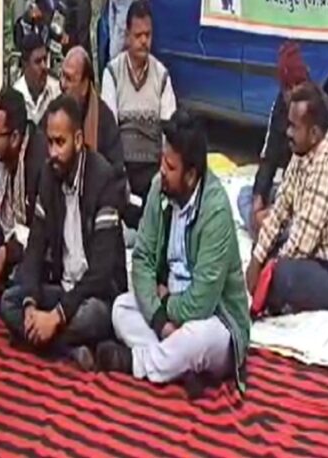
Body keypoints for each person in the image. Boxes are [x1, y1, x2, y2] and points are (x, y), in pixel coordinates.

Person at [99, 111, 250, 396]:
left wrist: (165, 302)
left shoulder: (215, 210)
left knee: (196, 338)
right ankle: (181, 368)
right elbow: (142, 259)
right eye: (162, 162)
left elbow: (202, 303)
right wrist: (159, 319)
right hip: (167, 313)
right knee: (121, 308)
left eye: (170, 166)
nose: (161, 172)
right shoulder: (160, 189)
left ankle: (135, 362)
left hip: (216, 319)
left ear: (191, 175)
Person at [0, 96, 126, 361]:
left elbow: (101, 274)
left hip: (95, 296)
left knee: (94, 316)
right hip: (61, 288)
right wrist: (32, 305)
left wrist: (56, 317)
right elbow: (34, 249)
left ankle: (46, 340)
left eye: (60, 142)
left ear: (78, 140)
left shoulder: (103, 180)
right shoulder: (48, 176)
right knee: (10, 302)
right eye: (50, 142)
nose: (53, 152)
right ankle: (68, 349)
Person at [246, 83, 328, 316]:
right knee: (263, 245)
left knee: (280, 274)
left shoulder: (327, 164)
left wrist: (266, 273)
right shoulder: (302, 152)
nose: (288, 132)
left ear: (314, 133)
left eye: (294, 127)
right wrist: (257, 259)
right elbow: (280, 210)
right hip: (314, 260)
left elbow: (301, 244)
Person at [102, 0, 176, 228]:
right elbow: (109, 131)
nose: (144, 41)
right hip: (122, 170)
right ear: (127, 36)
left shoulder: (161, 75)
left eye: (148, 35)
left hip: (154, 171)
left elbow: (170, 132)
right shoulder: (112, 74)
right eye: (138, 35)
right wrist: (120, 176)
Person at [241, 42, 313, 235]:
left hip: (311, 205)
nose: (294, 91)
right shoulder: (280, 107)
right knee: (246, 196)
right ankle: (265, 230)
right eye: (288, 87)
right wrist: (258, 206)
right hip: (287, 193)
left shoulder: (319, 112)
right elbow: (269, 158)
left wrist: (277, 212)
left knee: (295, 228)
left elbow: (317, 188)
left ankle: (271, 233)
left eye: (298, 83)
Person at [0, 88, 47, 302]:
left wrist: (5, 252)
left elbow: (41, 233)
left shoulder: (40, 162)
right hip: (7, 241)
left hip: (38, 254)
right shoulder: (1, 158)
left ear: (14, 137)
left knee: (13, 297)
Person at [58, 46, 125, 178]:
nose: (62, 84)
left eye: (69, 79)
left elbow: (116, 169)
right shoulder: (55, 110)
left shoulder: (104, 118)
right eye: (62, 76)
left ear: (85, 85)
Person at [13, 33, 61, 125]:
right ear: (25, 65)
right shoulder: (16, 95)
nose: (44, 66)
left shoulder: (57, 91)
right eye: (38, 61)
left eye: (45, 59)